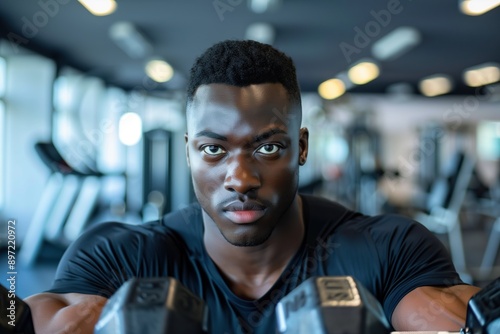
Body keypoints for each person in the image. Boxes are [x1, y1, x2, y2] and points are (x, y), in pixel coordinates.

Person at [25, 39, 480, 334]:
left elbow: (462, 318)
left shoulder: (388, 249)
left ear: (301, 148)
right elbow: (35, 318)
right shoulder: (119, 257)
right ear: (188, 151)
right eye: (212, 150)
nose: (240, 179)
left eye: (267, 148)